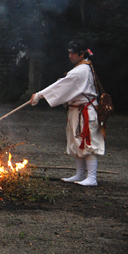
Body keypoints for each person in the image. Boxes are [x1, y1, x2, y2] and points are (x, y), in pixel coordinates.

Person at [31, 39, 105, 186]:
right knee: (76, 142)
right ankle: (79, 174)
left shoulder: (81, 70)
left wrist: (40, 95)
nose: (70, 56)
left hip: (85, 111)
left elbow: (61, 85)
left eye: (73, 53)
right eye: (69, 53)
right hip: (77, 111)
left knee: (87, 143)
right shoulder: (82, 67)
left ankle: (92, 178)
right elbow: (65, 84)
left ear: (81, 54)